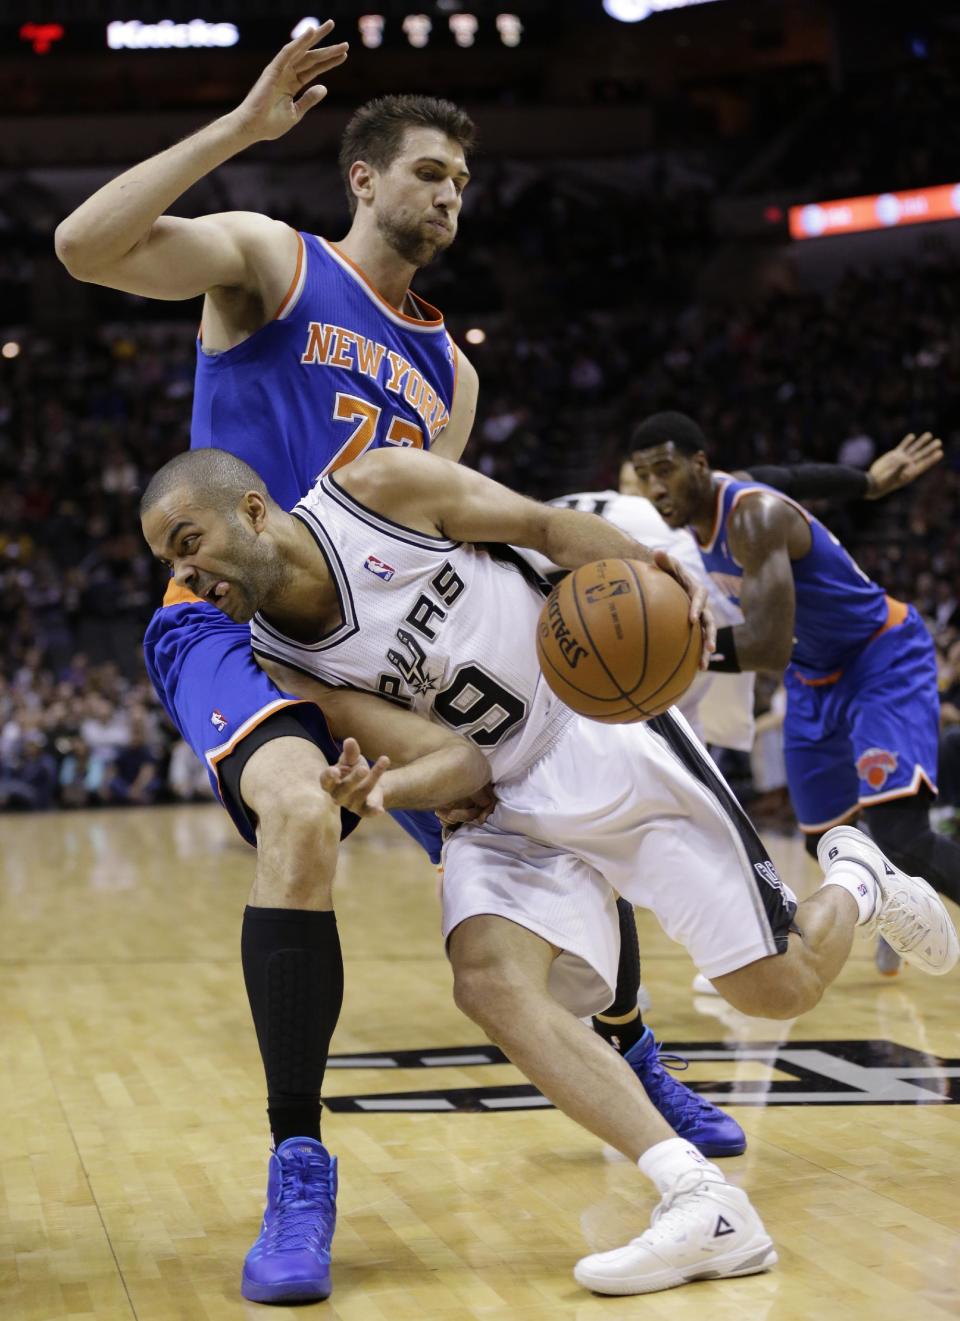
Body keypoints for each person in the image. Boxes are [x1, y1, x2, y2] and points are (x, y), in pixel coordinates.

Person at [53, 22, 730, 1300]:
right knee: (301, 815)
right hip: (239, 625)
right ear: (361, 176)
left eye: (463, 183)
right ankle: (299, 1164)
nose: (449, 196)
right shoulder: (272, 262)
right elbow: (81, 249)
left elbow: (459, 540)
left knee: (544, 788)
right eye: (429, 172)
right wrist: (242, 133)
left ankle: (633, 1047)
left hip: (386, 643)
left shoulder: (450, 375)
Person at [139, 444, 957, 1297]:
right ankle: (700, 1199)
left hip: (597, 725)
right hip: (506, 805)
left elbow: (544, 526)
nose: (185, 572)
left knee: (777, 989)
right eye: (167, 561)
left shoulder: (374, 491)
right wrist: (386, 790)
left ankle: (858, 872)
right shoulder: (281, 657)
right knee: (488, 978)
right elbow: (458, 760)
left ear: (255, 511)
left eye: (189, 540)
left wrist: (654, 577)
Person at [629, 411, 960, 951]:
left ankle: (902, 876)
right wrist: (868, 482)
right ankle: (900, 895)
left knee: (905, 835)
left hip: (879, 655)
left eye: (663, 470)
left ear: (700, 464)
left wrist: (671, 653)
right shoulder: (713, 507)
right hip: (813, 676)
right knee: (826, 843)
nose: (654, 487)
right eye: (643, 476)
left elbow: (767, 647)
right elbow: (796, 475)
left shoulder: (751, 516)